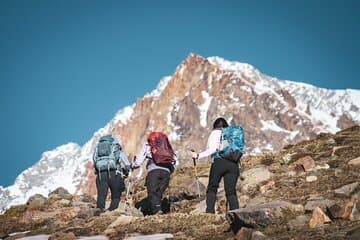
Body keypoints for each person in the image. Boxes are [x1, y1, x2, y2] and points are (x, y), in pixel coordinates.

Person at [192, 117, 241, 213]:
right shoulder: (232, 134)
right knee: (231, 191)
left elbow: (213, 149)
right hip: (233, 164)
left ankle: (209, 213)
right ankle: (236, 214)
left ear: (215, 126)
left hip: (219, 162)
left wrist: (198, 156)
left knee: (212, 188)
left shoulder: (215, 133)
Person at [131, 132, 176, 215]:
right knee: (159, 192)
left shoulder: (148, 144)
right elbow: (172, 159)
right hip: (166, 171)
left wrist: (133, 166)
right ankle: (158, 210)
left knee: (152, 192)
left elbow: (139, 161)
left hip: (154, 171)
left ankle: (157, 211)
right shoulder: (165, 144)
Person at [93, 134, 131, 211]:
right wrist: (126, 171)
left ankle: (99, 209)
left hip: (101, 174)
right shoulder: (116, 148)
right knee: (116, 194)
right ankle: (112, 210)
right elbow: (126, 163)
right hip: (115, 173)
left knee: (101, 194)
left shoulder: (97, 148)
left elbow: (94, 160)